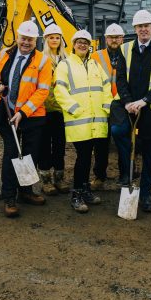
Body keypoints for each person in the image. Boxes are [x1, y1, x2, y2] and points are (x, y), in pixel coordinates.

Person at [0, 20, 52, 218]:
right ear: (17, 37)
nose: (26, 42)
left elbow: (43, 91)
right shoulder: (4, 54)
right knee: (12, 155)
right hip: (7, 113)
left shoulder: (42, 60)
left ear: (35, 41)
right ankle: (9, 197)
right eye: (24, 38)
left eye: (30, 39)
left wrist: (23, 112)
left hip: (31, 116)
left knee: (30, 155)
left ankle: (26, 191)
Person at [114, 9, 151, 213]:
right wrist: (129, 102)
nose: (143, 29)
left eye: (147, 25)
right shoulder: (125, 49)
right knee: (119, 134)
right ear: (135, 29)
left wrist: (145, 101)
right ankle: (127, 181)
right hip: (129, 108)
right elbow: (120, 78)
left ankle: (145, 194)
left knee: (148, 153)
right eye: (140, 26)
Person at [54, 30, 112, 213]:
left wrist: (108, 106)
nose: (82, 45)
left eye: (85, 42)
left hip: (98, 119)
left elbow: (106, 86)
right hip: (79, 120)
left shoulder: (95, 65)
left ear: (90, 46)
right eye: (79, 42)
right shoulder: (65, 65)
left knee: (92, 156)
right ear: (73, 44)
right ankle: (77, 194)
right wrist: (75, 109)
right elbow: (59, 91)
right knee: (83, 157)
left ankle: (85, 190)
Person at [90, 22, 124, 189]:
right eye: (111, 37)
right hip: (101, 105)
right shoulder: (96, 56)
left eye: (117, 37)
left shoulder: (128, 54)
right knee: (101, 143)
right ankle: (99, 176)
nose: (114, 40)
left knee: (123, 142)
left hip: (121, 104)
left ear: (122, 39)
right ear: (106, 39)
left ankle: (125, 175)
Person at [38, 23, 69, 196]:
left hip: (60, 109)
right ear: (46, 40)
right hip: (43, 108)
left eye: (57, 37)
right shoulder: (40, 58)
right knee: (44, 145)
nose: (54, 40)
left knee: (59, 144)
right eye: (51, 37)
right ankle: (45, 179)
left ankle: (59, 177)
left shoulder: (67, 58)